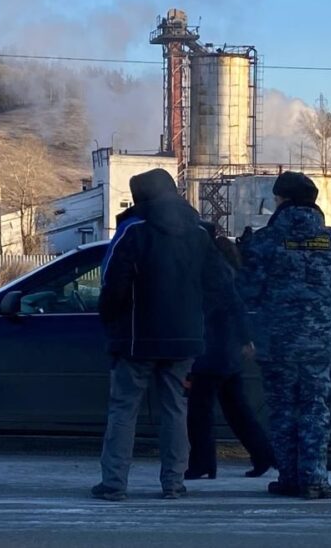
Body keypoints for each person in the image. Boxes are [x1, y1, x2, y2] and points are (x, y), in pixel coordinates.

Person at [91, 168, 243, 501]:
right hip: (185, 339)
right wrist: (200, 320)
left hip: (136, 339)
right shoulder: (199, 233)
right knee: (175, 409)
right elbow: (221, 284)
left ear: (139, 197)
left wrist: (111, 321)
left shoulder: (133, 232)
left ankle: (114, 484)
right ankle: (173, 483)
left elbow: (112, 284)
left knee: (124, 410)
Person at [241, 171, 331, 500]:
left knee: (282, 410)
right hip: (318, 343)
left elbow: (247, 291)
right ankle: (314, 479)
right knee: (315, 409)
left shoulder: (265, 241)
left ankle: (289, 478)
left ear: (282, 200)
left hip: (277, 343)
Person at [185, 226, 275, 481]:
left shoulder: (209, 266)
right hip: (226, 349)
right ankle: (263, 454)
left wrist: (245, 338)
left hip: (212, 350)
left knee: (200, 410)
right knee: (237, 409)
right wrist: (244, 339)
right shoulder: (222, 263)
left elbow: (232, 304)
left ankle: (202, 463)